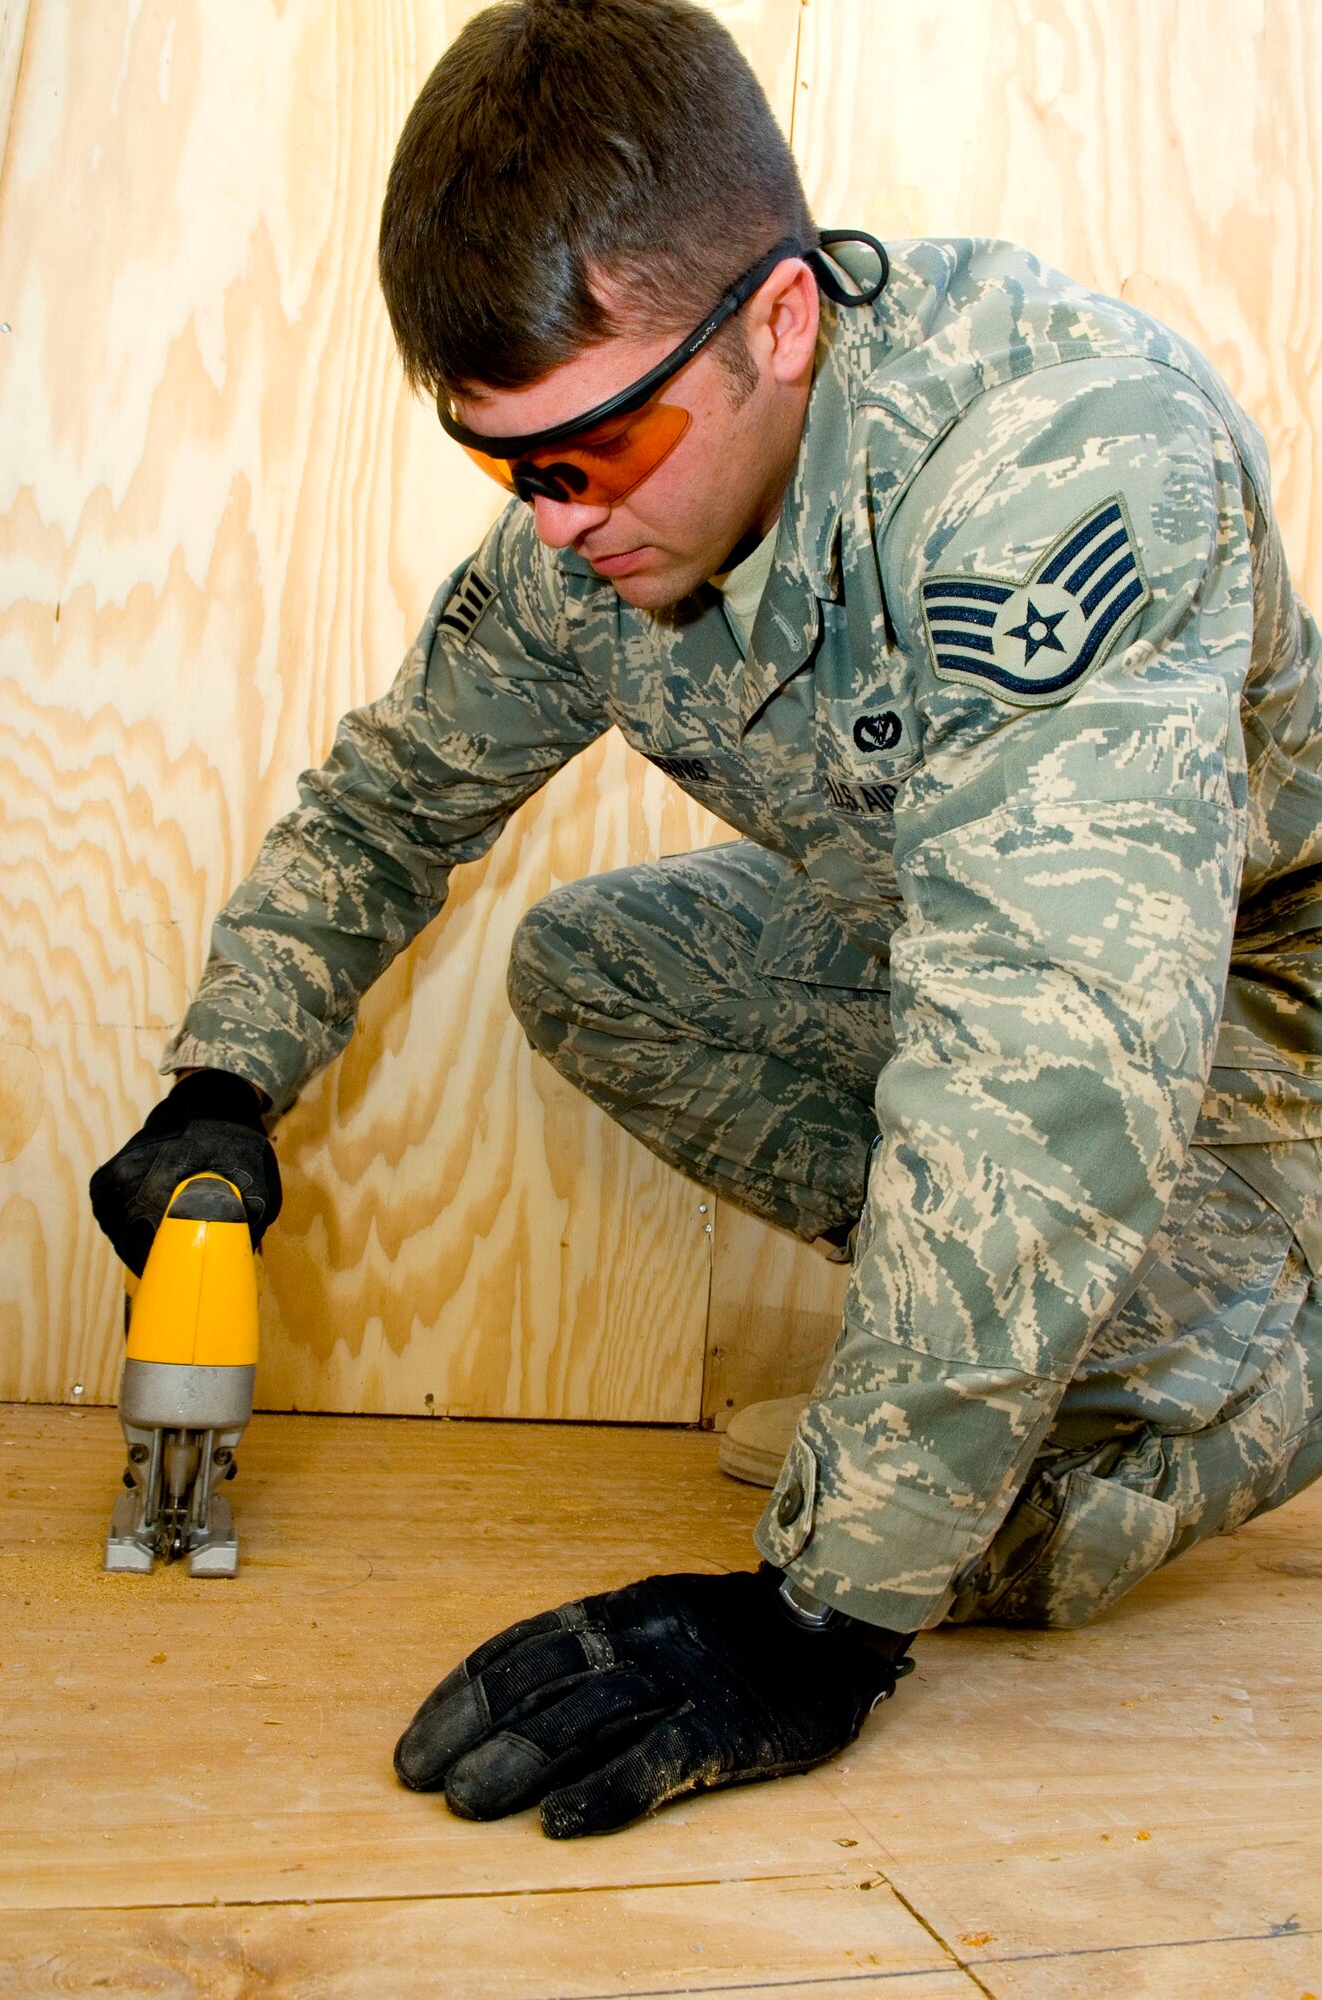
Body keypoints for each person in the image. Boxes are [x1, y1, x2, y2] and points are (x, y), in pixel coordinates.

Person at [89, 0, 1322, 1839]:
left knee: (1015, 1551)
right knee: (589, 964)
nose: (556, 518)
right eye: (507, 465)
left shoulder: (1059, 456)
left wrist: (830, 1613)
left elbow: (1047, 1055)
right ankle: (1055, 1345)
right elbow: (390, 799)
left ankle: (1247, 1312)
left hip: (1250, 1009)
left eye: (591, 449)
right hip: (965, 950)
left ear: (781, 320)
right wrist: (223, 1078)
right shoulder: (592, 520)